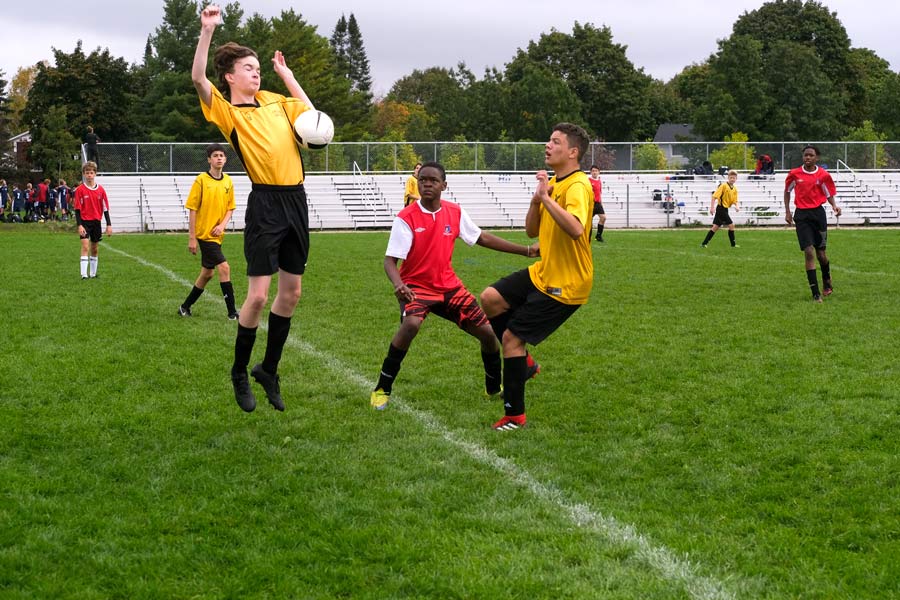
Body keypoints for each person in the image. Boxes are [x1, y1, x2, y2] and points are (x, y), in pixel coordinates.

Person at [193, 4, 317, 413]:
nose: (256, 73)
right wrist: (207, 32)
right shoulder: (227, 112)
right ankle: (239, 371)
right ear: (230, 76)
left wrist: (288, 76)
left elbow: (313, 119)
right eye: (248, 68)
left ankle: (269, 370)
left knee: (292, 293)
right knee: (259, 297)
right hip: (265, 204)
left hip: (296, 200)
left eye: (258, 68)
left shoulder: (275, 101)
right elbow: (198, 79)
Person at [370, 161, 539, 410]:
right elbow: (390, 261)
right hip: (416, 288)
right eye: (423, 180)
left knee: (488, 334)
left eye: (433, 180)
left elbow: (482, 237)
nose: (427, 184)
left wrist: (526, 250)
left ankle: (493, 387)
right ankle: (382, 389)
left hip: (450, 288)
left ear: (444, 185)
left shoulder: (454, 212)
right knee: (411, 325)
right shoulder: (406, 218)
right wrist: (399, 285)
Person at [479, 123, 594, 431]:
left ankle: (515, 416)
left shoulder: (578, 185)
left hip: (567, 283)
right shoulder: (554, 183)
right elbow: (531, 231)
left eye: (555, 142)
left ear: (573, 152)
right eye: (548, 141)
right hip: (544, 272)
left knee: (511, 339)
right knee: (490, 298)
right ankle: (525, 364)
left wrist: (546, 198)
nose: (548, 145)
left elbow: (576, 228)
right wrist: (536, 200)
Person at [178, 143, 239, 320]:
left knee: (207, 274)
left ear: (225, 159)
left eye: (221, 155)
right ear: (209, 160)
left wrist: (222, 225)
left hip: (217, 235)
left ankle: (185, 307)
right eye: (215, 155)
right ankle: (232, 313)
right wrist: (192, 238)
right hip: (205, 235)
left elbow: (230, 208)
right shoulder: (201, 180)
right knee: (224, 268)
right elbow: (192, 209)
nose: (219, 158)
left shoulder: (228, 181)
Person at [784, 145, 841, 303]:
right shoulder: (794, 174)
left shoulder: (823, 175)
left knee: (821, 254)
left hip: (818, 215)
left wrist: (834, 206)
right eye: (805, 155)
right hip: (802, 216)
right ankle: (815, 293)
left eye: (811, 155)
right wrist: (788, 211)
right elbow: (787, 192)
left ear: (817, 158)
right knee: (809, 252)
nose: (808, 157)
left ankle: (826, 279)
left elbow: (828, 193)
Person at [73, 161, 112, 279]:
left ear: (95, 174)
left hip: (96, 222)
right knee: (85, 247)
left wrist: (109, 225)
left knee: (94, 249)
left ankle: (93, 274)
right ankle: (84, 275)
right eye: (87, 173)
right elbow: (77, 209)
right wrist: (79, 225)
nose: (89, 175)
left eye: (91, 173)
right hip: (85, 222)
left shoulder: (101, 190)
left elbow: (105, 209)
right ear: (84, 174)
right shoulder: (80, 190)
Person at [701, 169, 740, 248]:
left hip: (725, 209)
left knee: (715, 227)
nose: (732, 179)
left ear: (736, 179)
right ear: (728, 178)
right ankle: (733, 245)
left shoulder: (735, 189)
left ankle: (704, 243)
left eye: (734, 178)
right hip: (721, 208)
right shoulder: (723, 186)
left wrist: (737, 206)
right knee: (731, 225)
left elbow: (735, 200)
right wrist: (712, 208)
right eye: (731, 177)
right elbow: (714, 197)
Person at [588, 165, 606, 242]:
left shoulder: (599, 181)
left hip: (598, 204)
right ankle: (587, 237)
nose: (594, 172)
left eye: (596, 171)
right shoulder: (588, 181)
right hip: (591, 203)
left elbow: (599, 193)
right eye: (593, 171)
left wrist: (601, 203)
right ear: (590, 172)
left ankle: (598, 236)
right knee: (589, 221)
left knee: (603, 218)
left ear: (599, 172)